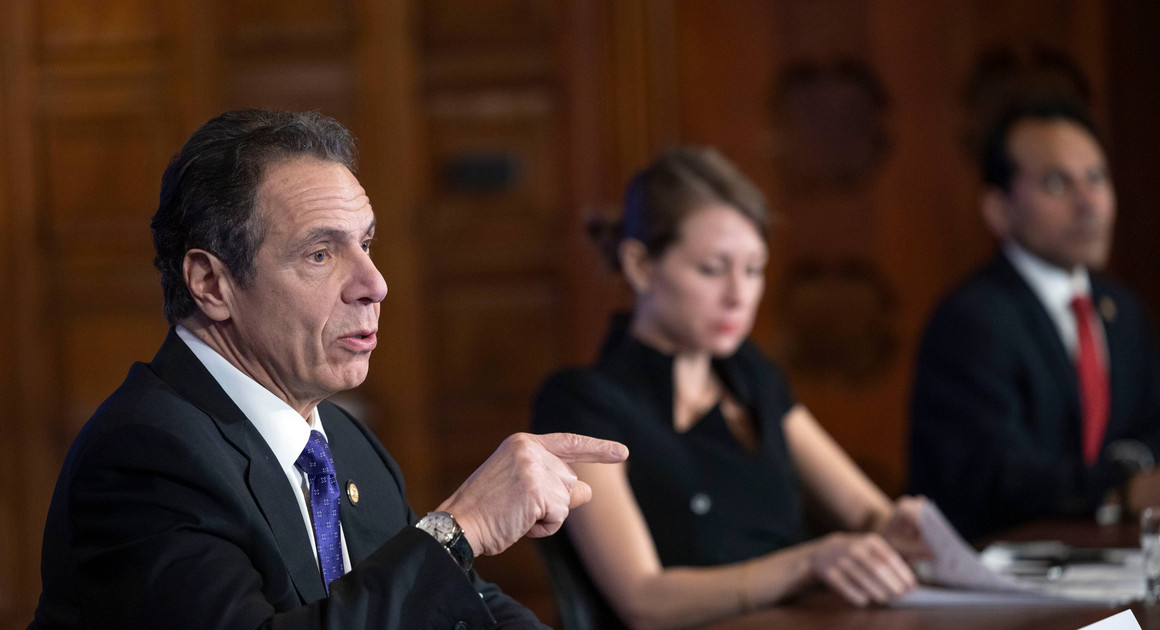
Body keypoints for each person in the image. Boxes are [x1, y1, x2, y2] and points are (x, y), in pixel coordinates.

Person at [31, 109, 627, 630]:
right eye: (320, 254)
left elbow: (458, 605)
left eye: (366, 244)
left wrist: (453, 546)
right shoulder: (146, 456)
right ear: (211, 284)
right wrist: (460, 528)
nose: (375, 284)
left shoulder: (340, 440)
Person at [532, 147, 930, 630]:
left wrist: (902, 528)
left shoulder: (751, 373)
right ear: (639, 266)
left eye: (753, 270)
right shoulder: (584, 402)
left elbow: (866, 511)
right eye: (712, 269)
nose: (739, 295)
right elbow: (643, 600)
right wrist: (808, 562)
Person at [908, 100, 1160, 541]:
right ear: (998, 209)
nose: (1089, 204)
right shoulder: (971, 319)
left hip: (1107, 560)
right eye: (1057, 183)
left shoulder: (1120, 308)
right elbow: (995, 479)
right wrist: (1119, 490)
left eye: (1097, 178)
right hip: (1003, 578)